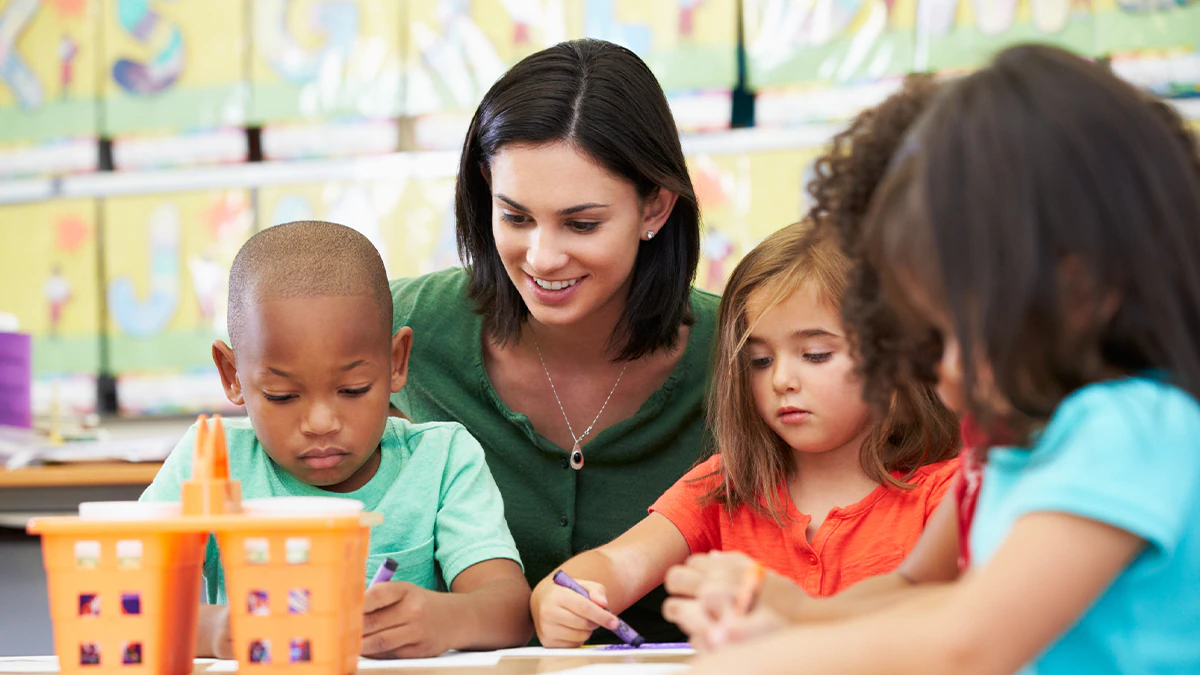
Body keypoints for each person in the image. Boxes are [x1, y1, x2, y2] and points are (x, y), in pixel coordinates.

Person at [676, 44, 1200, 674]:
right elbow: (924, 590)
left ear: (1078, 290)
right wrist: (795, 614)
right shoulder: (1012, 441)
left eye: (956, 337)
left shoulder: (1131, 427)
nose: (942, 379)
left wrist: (772, 659)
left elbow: (968, 644)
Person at [389, 38, 717, 641]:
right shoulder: (403, 326)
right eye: (515, 216)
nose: (541, 257)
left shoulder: (745, 351)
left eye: (582, 223)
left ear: (656, 208)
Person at [530, 220, 959, 647]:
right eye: (759, 361)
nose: (782, 381)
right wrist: (561, 597)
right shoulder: (726, 486)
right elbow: (617, 564)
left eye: (815, 354)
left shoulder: (949, 494)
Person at [140, 221, 532, 659]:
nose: (321, 423)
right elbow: (124, 600)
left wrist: (446, 620)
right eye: (282, 396)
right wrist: (212, 631)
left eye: (353, 390)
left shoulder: (442, 460)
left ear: (396, 362)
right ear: (232, 375)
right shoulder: (208, 463)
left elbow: (512, 610)